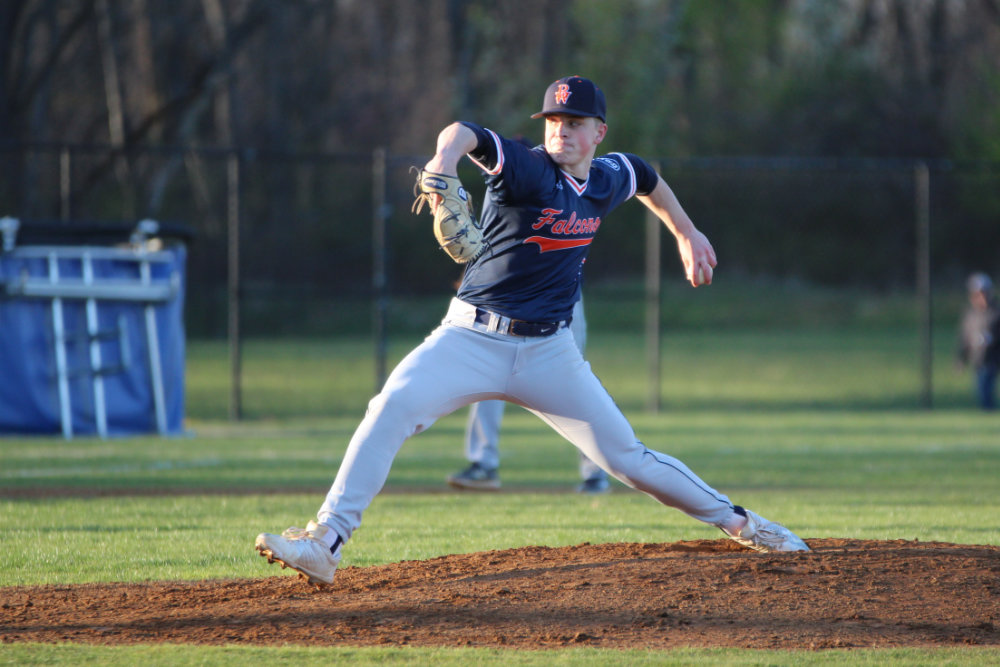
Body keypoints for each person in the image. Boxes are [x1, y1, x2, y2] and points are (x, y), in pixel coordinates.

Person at [256, 75, 809, 588]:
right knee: (390, 407)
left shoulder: (608, 177)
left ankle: (745, 525)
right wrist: (443, 162)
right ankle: (326, 542)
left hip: (549, 352)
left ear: (598, 133)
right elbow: (464, 132)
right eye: (552, 121)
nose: (560, 131)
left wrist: (686, 232)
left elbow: (649, 179)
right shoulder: (526, 167)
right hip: (471, 338)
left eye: (572, 123)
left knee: (627, 459)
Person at [448, 296, 612, 493]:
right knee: (488, 376)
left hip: (560, 298)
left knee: (576, 384)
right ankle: (483, 465)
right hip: (508, 299)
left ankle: (595, 472)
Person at [957, 272, 1000, 410]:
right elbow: (965, 339)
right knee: (982, 390)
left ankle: (988, 412)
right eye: (977, 294)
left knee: (986, 389)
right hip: (978, 360)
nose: (981, 298)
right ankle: (988, 413)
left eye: (983, 293)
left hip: (993, 358)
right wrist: (961, 359)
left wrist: (992, 340)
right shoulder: (970, 316)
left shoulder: (996, 313)